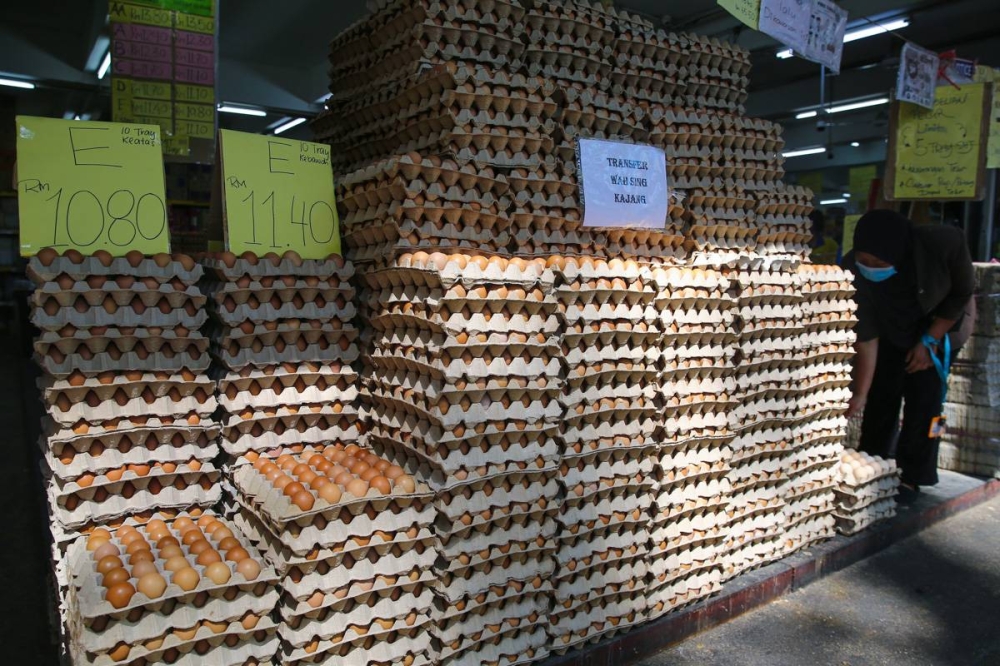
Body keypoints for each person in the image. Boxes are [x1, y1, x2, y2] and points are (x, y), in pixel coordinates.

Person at [844, 209, 975, 500]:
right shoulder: (852, 269)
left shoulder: (943, 244)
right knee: (881, 394)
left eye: (878, 262)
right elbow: (866, 336)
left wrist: (931, 340)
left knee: (925, 400)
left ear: (898, 252)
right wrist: (860, 392)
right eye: (864, 260)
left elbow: (961, 292)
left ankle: (912, 476)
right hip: (890, 330)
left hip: (940, 321)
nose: (870, 267)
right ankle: (872, 465)